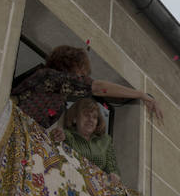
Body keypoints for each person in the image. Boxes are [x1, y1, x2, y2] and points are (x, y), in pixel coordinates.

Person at [11, 45, 162, 131]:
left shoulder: (60, 98)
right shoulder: (50, 77)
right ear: (70, 63)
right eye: (82, 70)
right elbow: (98, 87)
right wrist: (141, 94)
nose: (83, 75)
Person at [59, 98, 119, 182]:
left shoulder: (105, 140)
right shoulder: (67, 136)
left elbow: (113, 170)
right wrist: (59, 136)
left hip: (98, 190)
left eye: (94, 117)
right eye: (86, 115)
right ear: (75, 118)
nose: (91, 120)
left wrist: (114, 176)